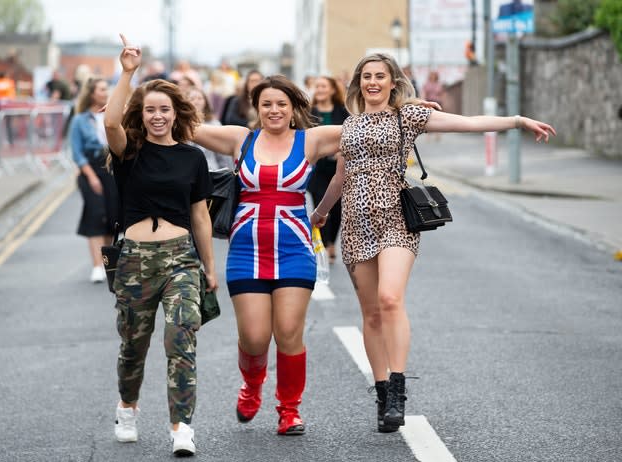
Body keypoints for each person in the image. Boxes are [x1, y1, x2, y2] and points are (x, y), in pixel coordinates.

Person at [310, 53, 555, 434]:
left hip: (395, 220)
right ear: (358, 84)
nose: (373, 82)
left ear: (393, 82)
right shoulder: (348, 125)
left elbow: (468, 123)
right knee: (371, 314)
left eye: (381, 76)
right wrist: (322, 213)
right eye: (367, 77)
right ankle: (380, 392)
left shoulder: (408, 116)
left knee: (391, 299)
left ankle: (397, 390)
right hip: (356, 226)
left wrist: (517, 121)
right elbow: (341, 177)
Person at [191, 74, 357, 436]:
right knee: (253, 338)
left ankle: (289, 410)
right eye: (266, 103)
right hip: (246, 252)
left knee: (288, 333)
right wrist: (126, 103)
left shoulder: (311, 139)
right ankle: (251, 386)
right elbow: (181, 125)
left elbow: (372, 128)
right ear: (256, 107)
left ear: (294, 107)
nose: (274, 110)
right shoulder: (241, 138)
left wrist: (408, 110)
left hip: (295, 249)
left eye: (281, 103)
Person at [104, 34, 217, 457]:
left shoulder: (192, 158)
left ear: (176, 113)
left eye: (163, 110)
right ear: (143, 113)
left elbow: (201, 216)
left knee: (181, 339)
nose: (156, 116)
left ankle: (181, 427)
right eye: (150, 110)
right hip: (134, 261)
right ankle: (127, 407)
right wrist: (128, 72)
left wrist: (209, 267)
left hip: (180, 260)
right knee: (134, 344)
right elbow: (112, 122)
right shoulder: (128, 151)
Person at [68, 76, 119, 283]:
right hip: (91, 170)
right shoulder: (80, 120)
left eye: (106, 89)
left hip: (113, 170)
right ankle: (97, 265)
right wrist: (91, 177)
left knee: (112, 218)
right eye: (101, 89)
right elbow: (77, 153)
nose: (105, 93)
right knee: (96, 215)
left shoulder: (112, 115)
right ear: (91, 93)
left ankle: (109, 264)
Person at [307, 76, 349, 263]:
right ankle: (324, 245)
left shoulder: (343, 112)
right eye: (318, 86)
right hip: (317, 170)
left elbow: (349, 136)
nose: (320, 89)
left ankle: (332, 241)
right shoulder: (309, 113)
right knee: (321, 206)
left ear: (332, 90)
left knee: (338, 208)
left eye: (324, 86)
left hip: (339, 168)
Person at [187, 87, 233, 170]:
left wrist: (227, 172)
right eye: (192, 99)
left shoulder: (215, 124)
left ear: (205, 102)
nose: (196, 102)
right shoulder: (182, 124)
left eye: (200, 98)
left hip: (212, 170)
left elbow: (222, 152)